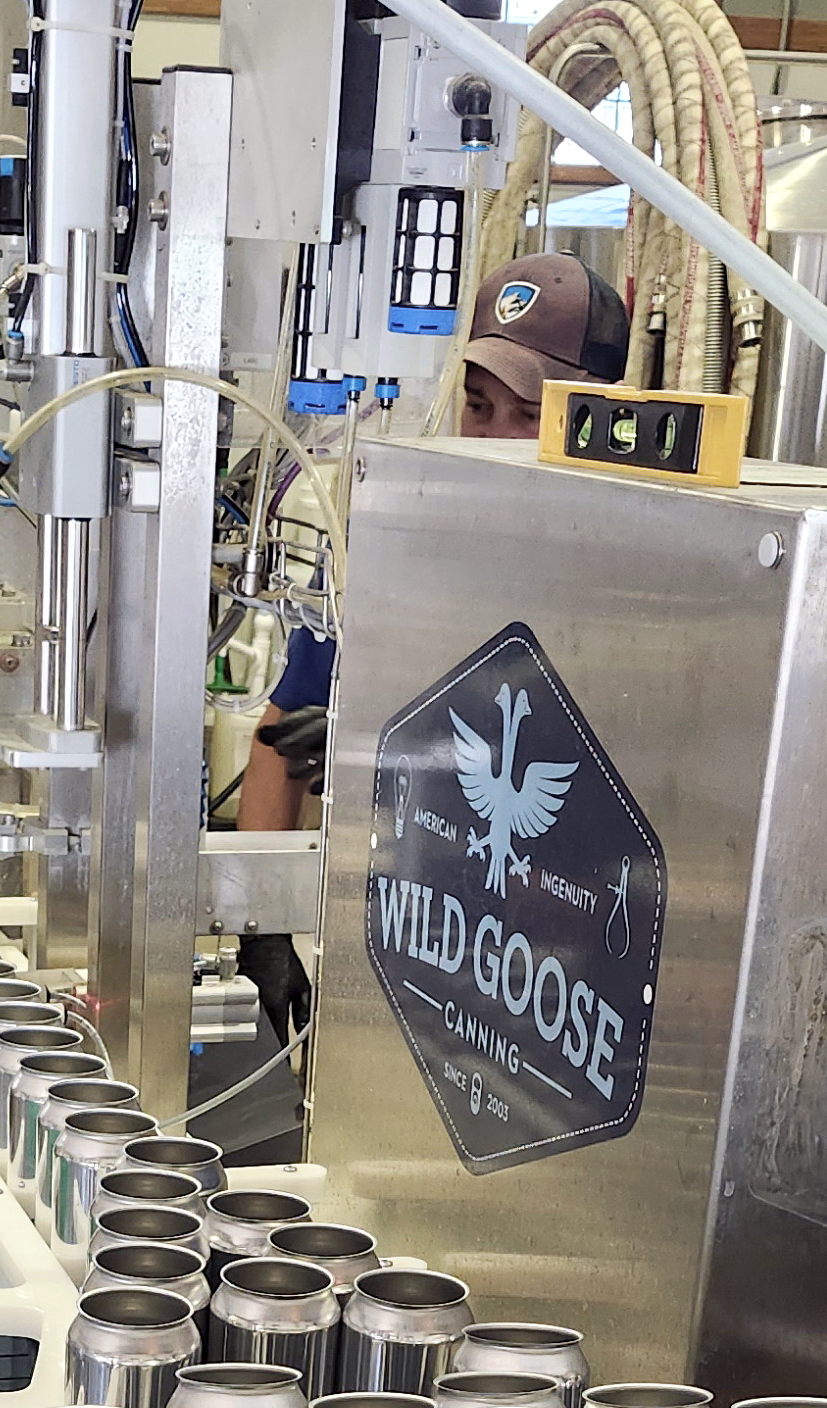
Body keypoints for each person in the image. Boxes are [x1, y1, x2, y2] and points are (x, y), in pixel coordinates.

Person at [232, 254, 633, 1034]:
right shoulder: (391, 552)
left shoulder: (622, 587)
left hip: (551, 995)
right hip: (404, 952)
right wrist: (266, 926)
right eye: (479, 407)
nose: (494, 437)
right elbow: (280, 738)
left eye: (531, 413)